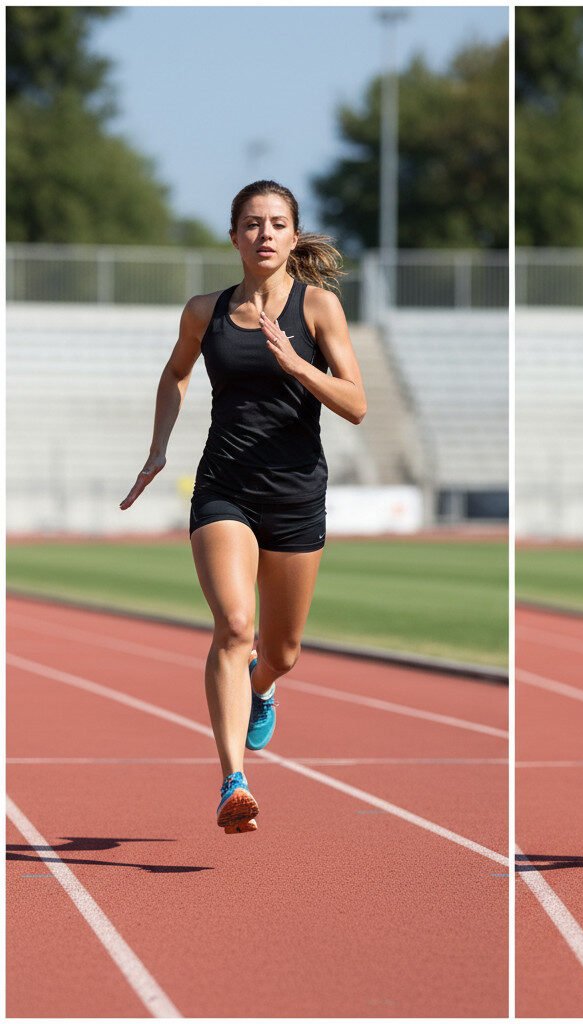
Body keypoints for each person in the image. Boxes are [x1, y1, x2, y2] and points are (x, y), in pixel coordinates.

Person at [121, 180, 366, 834]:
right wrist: (158, 446)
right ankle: (233, 779)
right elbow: (176, 373)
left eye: (276, 223)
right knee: (233, 625)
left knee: (280, 651)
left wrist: (299, 367)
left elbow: (357, 404)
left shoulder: (318, 310)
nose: (264, 234)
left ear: (293, 235)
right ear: (233, 236)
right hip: (224, 486)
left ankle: (263, 686)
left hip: (295, 492)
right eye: (252, 223)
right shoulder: (204, 311)